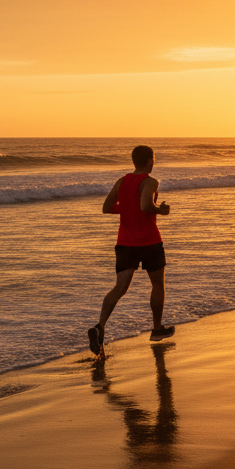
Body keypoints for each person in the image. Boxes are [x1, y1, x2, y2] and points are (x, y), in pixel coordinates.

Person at [88, 145, 174, 356]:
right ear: (149, 161)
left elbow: (107, 207)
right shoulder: (151, 181)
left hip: (125, 243)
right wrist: (160, 210)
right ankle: (156, 330)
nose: (154, 163)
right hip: (149, 241)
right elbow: (146, 206)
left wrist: (127, 208)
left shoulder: (122, 181)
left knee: (120, 288)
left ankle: (99, 327)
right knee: (157, 284)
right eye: (153, 159)